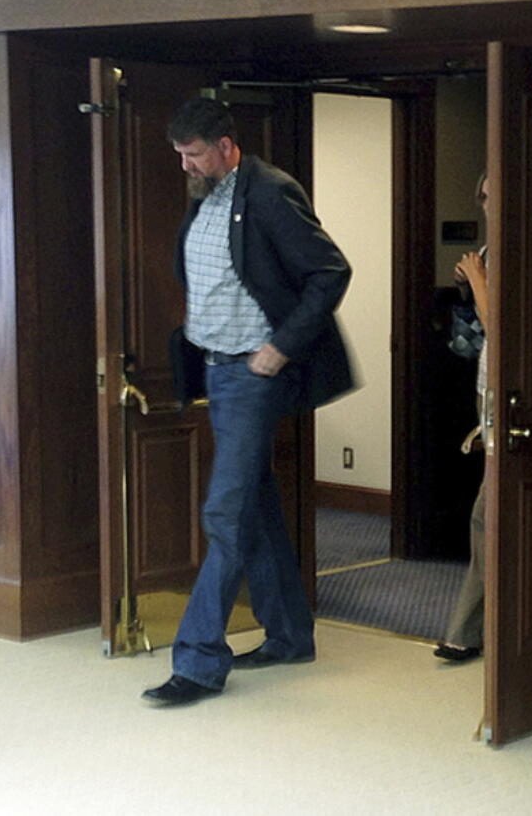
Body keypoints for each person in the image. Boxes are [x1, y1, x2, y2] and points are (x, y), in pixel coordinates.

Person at [142, 97, 354, 705]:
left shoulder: (268, 192)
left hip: (251, 376)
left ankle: (199, 662)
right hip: (214, 368)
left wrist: (282, 346)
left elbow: (330, 271)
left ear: (226, 145)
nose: (184, 164)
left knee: (224, 513)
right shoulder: (205, 193)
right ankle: (289, 635)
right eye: (179, 154)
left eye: (193, 153)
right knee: (253, 507)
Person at [435, 172, 491, 664]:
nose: (493, 205)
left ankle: (466, 630)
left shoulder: (526, 247)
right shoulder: (490, 250)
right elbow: (475, 334)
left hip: (513, 397)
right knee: (487, 515)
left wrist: (478, 281)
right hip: (485, 389)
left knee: (486, 514)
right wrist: (467, 285)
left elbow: (503, 326)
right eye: (487, 197)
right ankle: (471, 629)